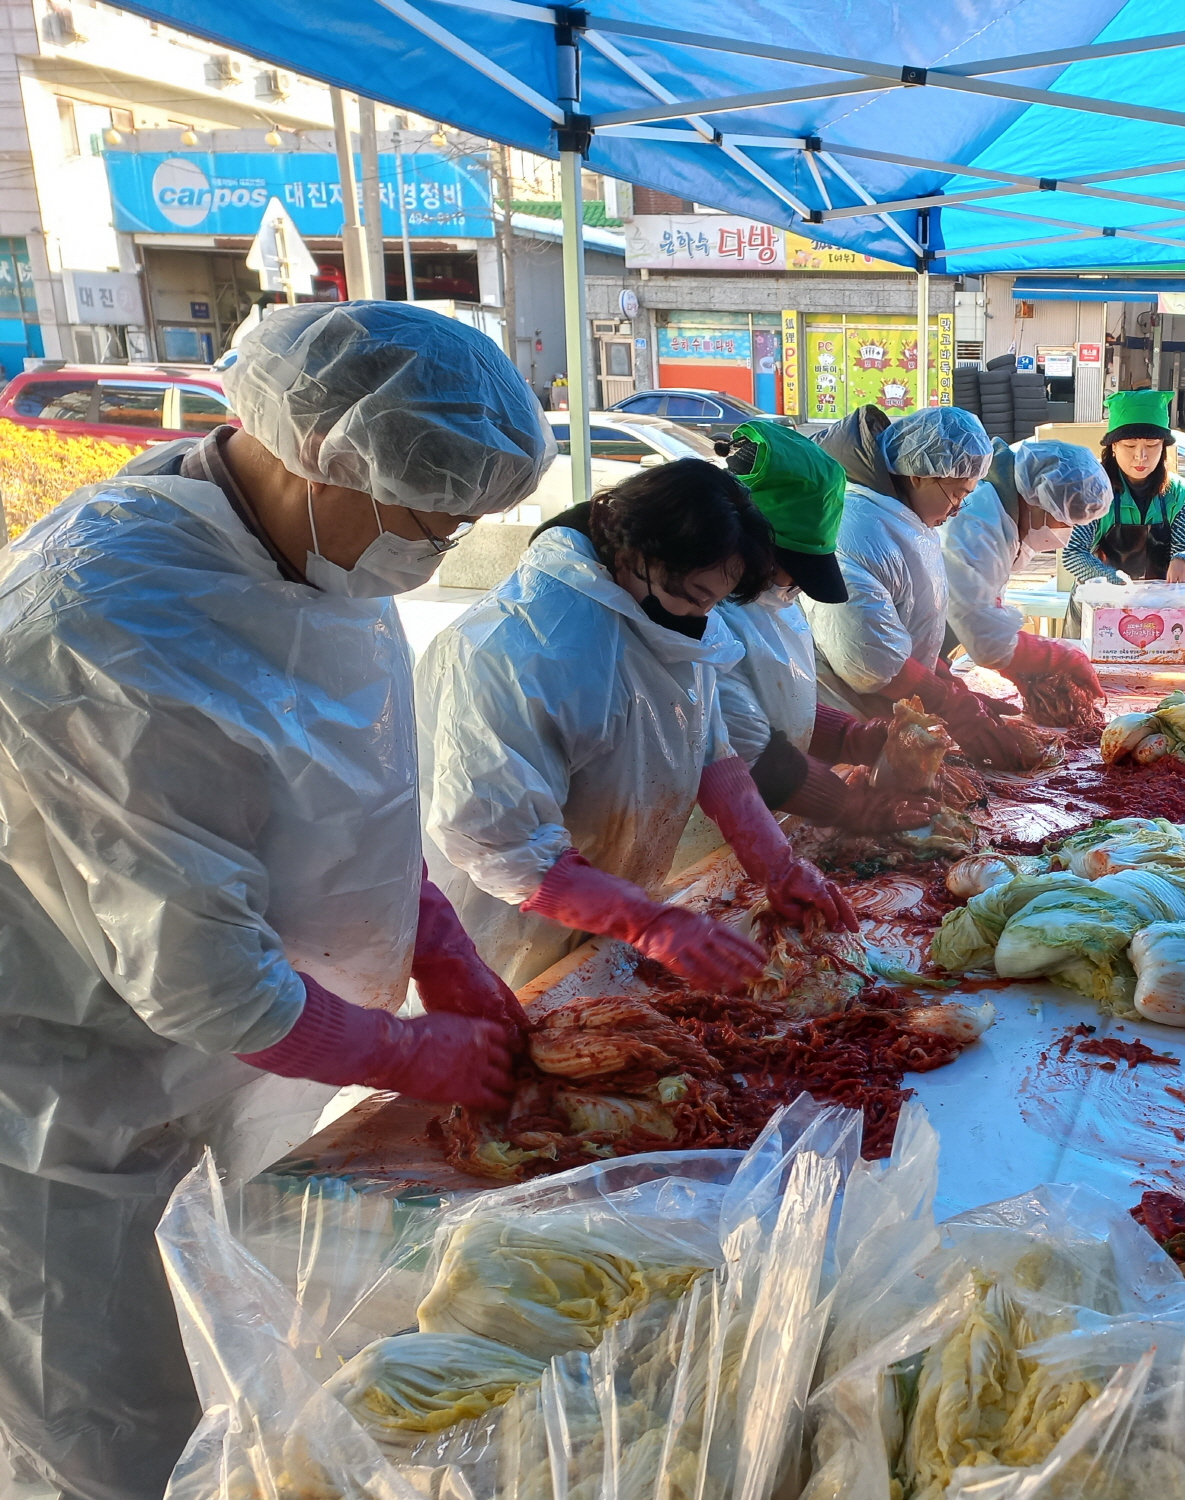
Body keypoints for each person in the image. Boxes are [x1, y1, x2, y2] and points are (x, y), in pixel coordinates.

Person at [0, 301, 549, 1499]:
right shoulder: (108, 627)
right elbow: (202, 974)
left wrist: (435, 939)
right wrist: (410, 1055)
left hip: (226, 1075)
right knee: (116, 1431)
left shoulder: (311, 564)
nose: (445, 543)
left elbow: (338, 800)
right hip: (69, 1105)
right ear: (326, 455)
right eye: (430, 510)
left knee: (241, 1389)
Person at [418, 458, 856, 991]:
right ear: (637, 554)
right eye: (696, 598)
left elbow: (709, 750)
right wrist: (645, 920)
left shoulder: (668, 618)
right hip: (518, 930)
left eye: (714, 602)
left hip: (620, 910)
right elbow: (503, 844)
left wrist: (777, 865)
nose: (702, 617)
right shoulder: (516, 649)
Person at [711, 421, 934, 833]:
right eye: (792, 568)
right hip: (707, 831)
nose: (794, 585)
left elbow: (774, 697)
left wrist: (852, 736)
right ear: (754, 543)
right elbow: (738, 737)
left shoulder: (774, 596)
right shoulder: (704, 612)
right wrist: (850, 807)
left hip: (772, 813)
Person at [805, 404, 1045, 771]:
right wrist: (949, 702)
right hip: (839, 732)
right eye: (956, 494)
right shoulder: (859, 528)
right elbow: (871, 661)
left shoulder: (904, 519)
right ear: (920, 476)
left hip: (885, 721)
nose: (957, 509)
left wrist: (955, 690)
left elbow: (908, 628)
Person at [942, 438, 1112, 720]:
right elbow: (987, 640)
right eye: (1065, 520)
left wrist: (1019, 668)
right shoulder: (975, 525)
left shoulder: (1000, 516)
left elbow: (986, 613)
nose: (1065, 532)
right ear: (1037, 501)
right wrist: (1060, 655)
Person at [1061, 389, 1185, 584]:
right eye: (1129, 445)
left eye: (1152, 445)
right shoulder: (1092, 491)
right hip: (1101, 601)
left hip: (1160, 604)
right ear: (1113, 447)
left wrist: (1184, 559)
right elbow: (1073, 553)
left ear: (1163, 447)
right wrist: (1111, 578)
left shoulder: (1178, 492)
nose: (1141, 455)